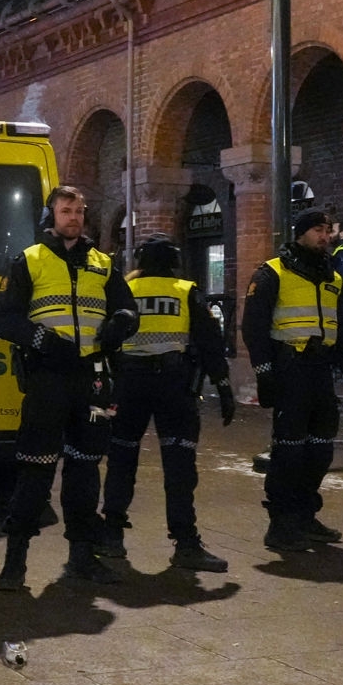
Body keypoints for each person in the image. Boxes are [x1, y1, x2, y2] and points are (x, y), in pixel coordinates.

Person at [0, 184, 138, 590]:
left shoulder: (102, 263)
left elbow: (127, 308)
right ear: (50, 216)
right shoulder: (28, 260)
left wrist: (122, 321)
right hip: (47, 377)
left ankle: (81, 557)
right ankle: (14, 565)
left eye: (78, 210)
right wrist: (42, 341)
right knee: (35, 471)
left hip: (90, 378)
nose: (73, 217)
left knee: (86, 469)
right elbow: (5, 319)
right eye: (65, 210)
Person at [100, 233, 235, 573]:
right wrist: (223, 385)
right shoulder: (186, 291)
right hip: (174, 387)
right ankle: (185, 543)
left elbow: (106, 338)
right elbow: (209, 341)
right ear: (175, 261)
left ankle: (112, 534)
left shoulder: (123, 292)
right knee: (179, 467)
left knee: (121, 460)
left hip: (129, 386)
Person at [241, 207, 343, 552]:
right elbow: (253, 328)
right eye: (317, 231)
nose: (324, 237)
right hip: (290, 369)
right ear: (300, 233)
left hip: (321, 370)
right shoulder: (271, 273)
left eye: (327, 231)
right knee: (288, 451)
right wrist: (264, 374)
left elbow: (341, 329)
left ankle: (306, 515)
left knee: (321, 448)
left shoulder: (332, 277)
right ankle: (281, 523)